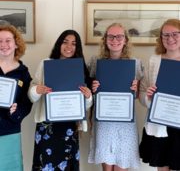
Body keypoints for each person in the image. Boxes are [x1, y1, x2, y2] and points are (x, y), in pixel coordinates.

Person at [28, 29, 93, 171]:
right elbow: (31, 95)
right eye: (65, 42)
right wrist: (37, 90)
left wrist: (88, 97)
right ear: (59, 43)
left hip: (69, 127)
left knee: (67, 167)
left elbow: (85, 105)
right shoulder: (46, 63)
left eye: (73, 43)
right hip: (47, 126)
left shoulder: (80, 68)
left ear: (77, 47)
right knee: (45, 165)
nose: (69, 47)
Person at [87, 23, 143, 171]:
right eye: (111, 36)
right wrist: (93, 88)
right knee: (106, 168)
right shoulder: (96, 62)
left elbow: (138, 95)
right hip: (103, 122)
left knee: (121, 166)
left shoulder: (135, 64)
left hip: (125, 124)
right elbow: (88, 92)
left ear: (125, 40)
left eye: (119, 36)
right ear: (105, 39)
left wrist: (136, 90)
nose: (115, 40)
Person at [139, 18, 180, 171]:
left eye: (175, 34)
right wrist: (148, 97)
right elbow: (142, 93)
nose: (170, 39)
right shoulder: (154, 61)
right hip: (159, 125)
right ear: (161, 38)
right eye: (166, 35)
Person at [0, 24, 32, 170]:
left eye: (8, 40)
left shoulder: (23, 73)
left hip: (9, 131)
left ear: (16, 43)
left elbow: (27, 103)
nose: (3, 45)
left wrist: (17, 112)